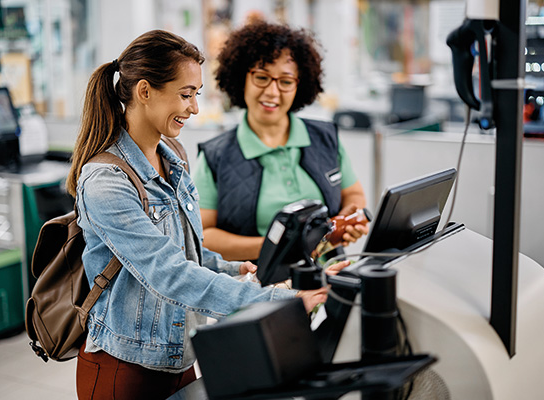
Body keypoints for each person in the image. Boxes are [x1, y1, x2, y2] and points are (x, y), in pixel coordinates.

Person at [65, 30, 348, 399]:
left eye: (196, 95)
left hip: (180, 357)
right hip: (125, 367)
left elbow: (186, 250)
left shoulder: (175, 157)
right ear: (145, 91)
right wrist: (282, 301)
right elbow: (168, 274)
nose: (194, 108)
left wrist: (235, 268)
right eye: (185, 95)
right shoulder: (106, 182)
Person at [194, 21, 369, 262]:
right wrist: (278, 246)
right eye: (262, 77)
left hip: (331, 282)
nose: (273, 92)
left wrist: (349, 219)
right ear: (241, 78)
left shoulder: (325, 139)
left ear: (300, 84)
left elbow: (354, 195)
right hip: (259, 290)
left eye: (285, 81)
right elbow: (203, 236)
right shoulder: (215, 157)